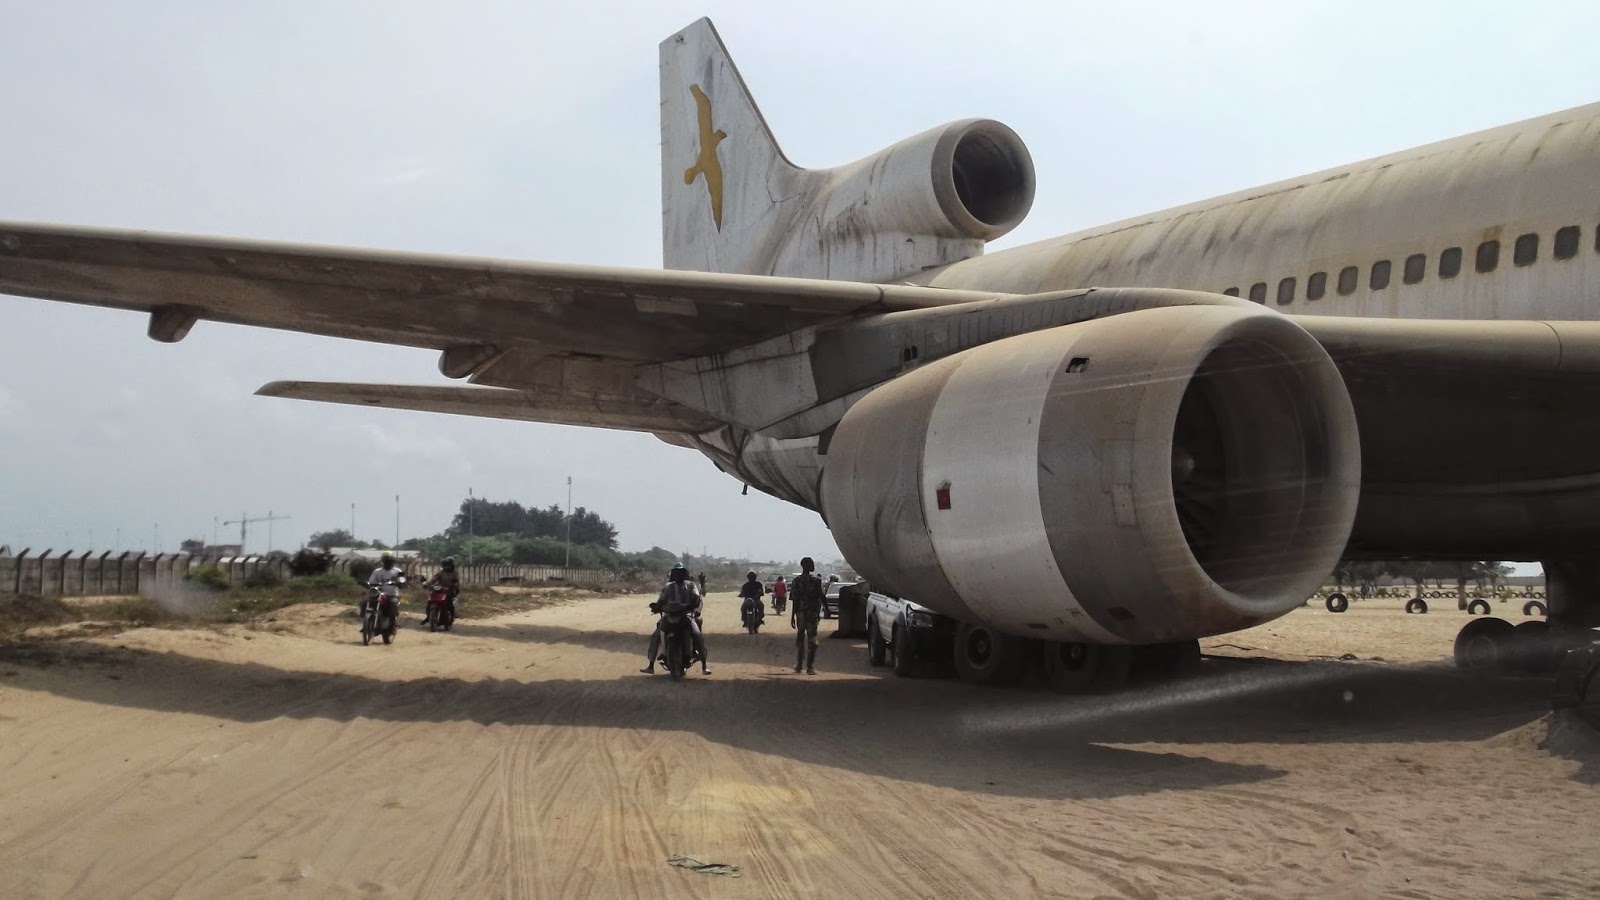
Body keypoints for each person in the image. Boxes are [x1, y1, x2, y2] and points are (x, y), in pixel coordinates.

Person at [640, 562, 710, 675]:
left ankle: (704, 666)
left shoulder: (691, 585)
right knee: (656, 635)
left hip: (686, 616)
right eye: (676, 573)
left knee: (697, 634)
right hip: (669, 616)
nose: (679, 575)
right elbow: (661, 599)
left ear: (684, 574)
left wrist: (694, 605)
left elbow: (696, 598)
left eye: (681, 573)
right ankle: (651, 665)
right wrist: (657, 607)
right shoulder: (668, 587)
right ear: (673, 574)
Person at [789, 557, 825, 674]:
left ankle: (799, 665)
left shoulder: (796, 581)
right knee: (813, 639)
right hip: (812, 614)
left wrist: (793, 616)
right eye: (812, 564)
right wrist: (827, 608)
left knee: (800, 639)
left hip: (801, 614)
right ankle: (810, 667)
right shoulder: (816, 581)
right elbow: (821, 596)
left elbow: (795, 600)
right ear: (808, 566)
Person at [366, 552, 406, 619]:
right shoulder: (376, 571)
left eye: (389, 561)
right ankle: (366, 621)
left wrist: (400, 583)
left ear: (393, 562)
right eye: (386, 561)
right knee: (365, 601)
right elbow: (371, 581)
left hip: (392, 595)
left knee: (393, 604)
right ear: (383, 561)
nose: (388, 563)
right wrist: (369, 584)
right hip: (378, 594)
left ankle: (394, 622)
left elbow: (402, 581)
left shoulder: (398, 571)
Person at [422, 556, 461, 624]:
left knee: (449, 603)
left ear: (451, 565)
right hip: (441, 589)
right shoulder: (441, 573)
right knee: (430, 601)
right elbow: (434, 579)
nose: (446, 567)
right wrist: (427, 584)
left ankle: (451, 617)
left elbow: (457, 582)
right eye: (444, 565)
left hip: (451, 590)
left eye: (447, 565)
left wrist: (454, 586)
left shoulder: (455, 573)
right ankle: (428, 616)